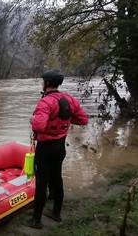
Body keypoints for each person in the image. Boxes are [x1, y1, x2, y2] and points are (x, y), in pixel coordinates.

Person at [25, 69, 89, 229]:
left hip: (45, 148)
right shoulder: (69, 99)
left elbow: (38, 125)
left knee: (41, 183)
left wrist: (32, 118)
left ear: (46, 83)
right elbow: (83, 119)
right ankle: (56, 213)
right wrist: (65, 120)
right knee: (57, 178)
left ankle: (36, 220)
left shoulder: (46, 102)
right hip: (60, 146)